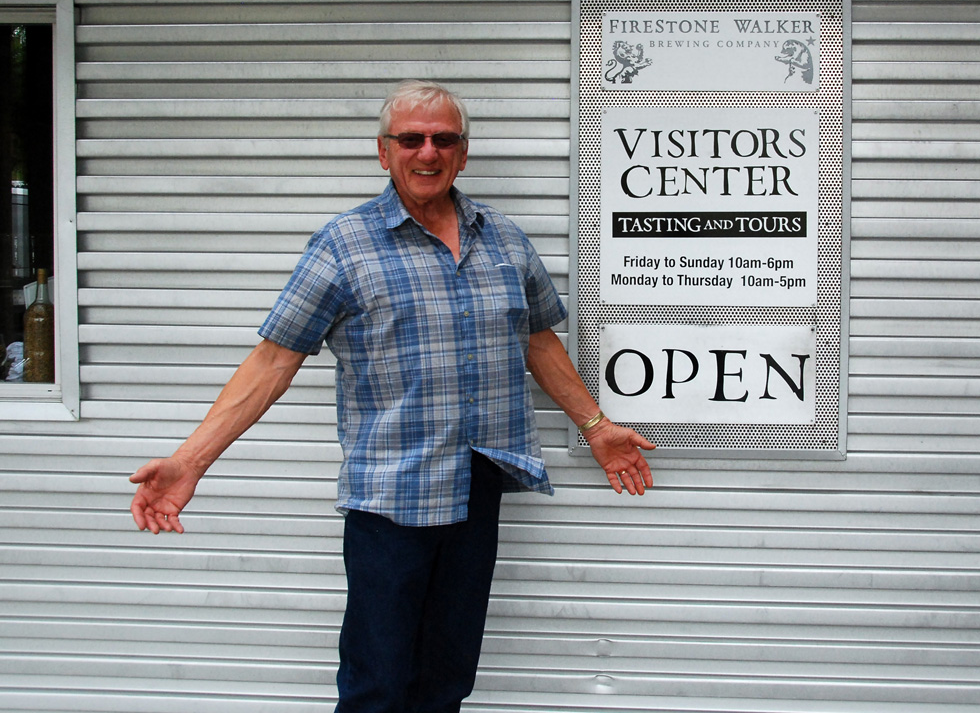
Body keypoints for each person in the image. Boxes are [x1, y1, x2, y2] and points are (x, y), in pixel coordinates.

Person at [129, 80, 656, 713]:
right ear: (384, 152)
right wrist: (190, 461)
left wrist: (596, 426)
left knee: (446, 680)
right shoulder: (343, 246)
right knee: (376, 684)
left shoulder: (505, 239)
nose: (427, 152)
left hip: (477, 482)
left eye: (443, 139)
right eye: (411, 139)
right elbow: (272, 361)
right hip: (390, 498)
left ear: (463, 154)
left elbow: (538, 341)